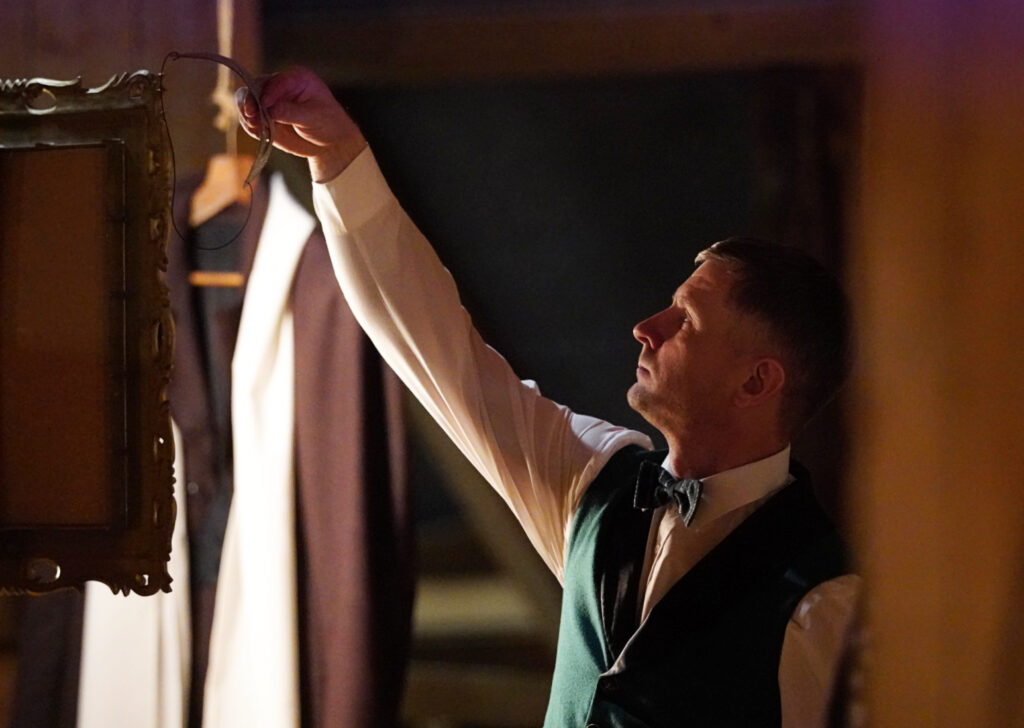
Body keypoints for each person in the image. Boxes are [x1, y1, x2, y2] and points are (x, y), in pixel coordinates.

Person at [238, 68, 860, 728]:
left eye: (686, 320)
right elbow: (440, 353)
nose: (646, 329)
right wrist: (339, 160)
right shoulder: (593, 484)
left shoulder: (825, 602)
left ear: (757, 382)